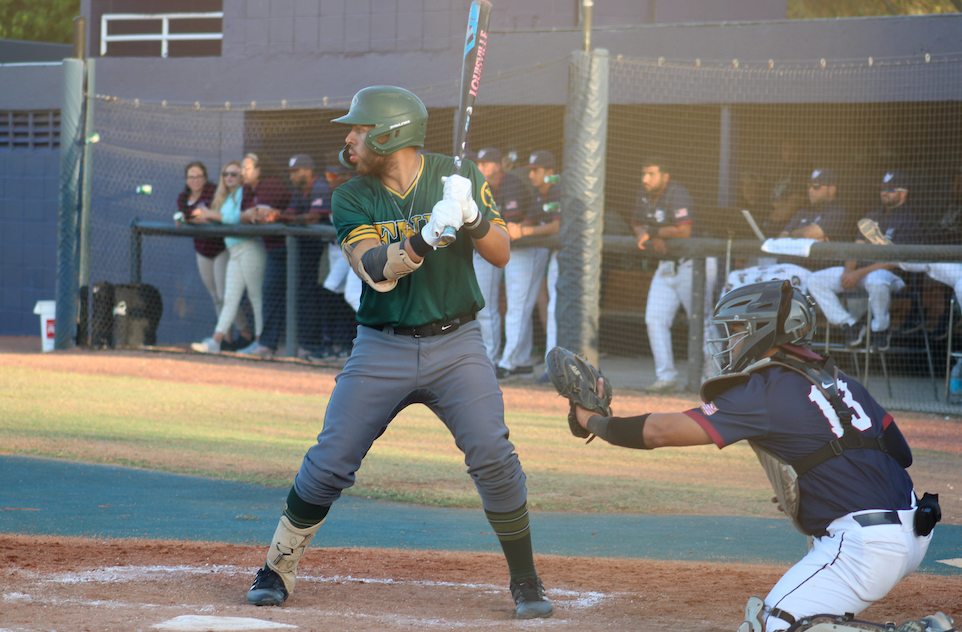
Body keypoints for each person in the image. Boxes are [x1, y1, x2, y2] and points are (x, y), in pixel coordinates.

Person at [245, 86, 553, 620]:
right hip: (381, 345)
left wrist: (471, 216)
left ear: (390, 136)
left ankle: (525, 580)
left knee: (494, 457)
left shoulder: (457, 177)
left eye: (358, 129)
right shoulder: (351, 195)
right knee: (330, 460)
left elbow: (501, 253)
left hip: (457, 345)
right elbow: (374, 270)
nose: (349, 138)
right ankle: (277, 567)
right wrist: (428, 236)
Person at [570, 280, 938, 632]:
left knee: (775, 625)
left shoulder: (763, 387)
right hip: (913, 531)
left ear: (763, 330)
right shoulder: (841, 382)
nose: (730, 340)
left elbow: (660, 432)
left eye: (738, 329)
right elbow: (899, 454)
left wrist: (595, 421)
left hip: (864, 546)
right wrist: (817, 479)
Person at [631, 156, 716, 393]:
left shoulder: (677, 193)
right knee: (654, 319)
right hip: (666, 267)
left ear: (665, 177)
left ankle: (714, 378)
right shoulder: (643, 194)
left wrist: (656, 233)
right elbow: (636, 222)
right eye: (644, 173)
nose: (645, 178)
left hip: (693, 266)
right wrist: (644, 233)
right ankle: (666, 377)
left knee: (703, 323)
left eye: (651, 174)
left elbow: (684, 230)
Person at [808, 170, 918, 351]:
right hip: (861, 275)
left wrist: (858, 273)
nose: (884, 192)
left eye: (890, 189)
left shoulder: (909, 220)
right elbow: (856, 248)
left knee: (877, 280)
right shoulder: (872, 216)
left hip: (890, 277)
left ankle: (881, 329)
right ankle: (849, 324)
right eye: (882, 188)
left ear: (903, 192)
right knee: (816, 280)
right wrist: (848, 272)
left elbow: (894, 261)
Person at [254, 153, 333, 359]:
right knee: (294, 292)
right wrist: (275, 216)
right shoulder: (300, 191)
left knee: (316, 295)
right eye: (290, 173)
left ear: (308, 170)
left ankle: (313, 345)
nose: (292, 177)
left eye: (296, 172)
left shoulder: (320, 187)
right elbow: (291, 212)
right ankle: (290, 345)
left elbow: (313, 217)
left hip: (330, 250)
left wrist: (281, 216)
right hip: (306, 249)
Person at [725, 172, 846, 296]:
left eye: (816, 186)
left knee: (778, 280)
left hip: (812, 270)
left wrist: (792, 234)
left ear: (831, 190)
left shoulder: (838, 213)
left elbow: (807, 234)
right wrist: (797, 234)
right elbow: (781, 237)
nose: (810, 190)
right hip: (784, 266)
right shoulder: (803, 212)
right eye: (809, 186)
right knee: (736, 276)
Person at [190, 162, 266, 353]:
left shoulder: (245, 191)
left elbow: (239, 218)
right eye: (226, 174)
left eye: (234, 174)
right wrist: (203, 217)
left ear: (241, 176)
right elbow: (224, 218)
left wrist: (212, 214)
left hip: (249, 249)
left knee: (256, 297)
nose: (229, 177)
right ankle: (216, 341)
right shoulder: (224, 197)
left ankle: (260, 341)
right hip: (234, 252)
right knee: (229, 298)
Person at [177, 162, 252, 350]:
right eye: (191, 177)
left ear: (205, 177)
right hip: (202, 249)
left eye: (199, 176)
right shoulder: (183, 197)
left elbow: (221, 213)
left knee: (224, 294)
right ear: (186, 180)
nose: (195, 181)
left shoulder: (213, 190)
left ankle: (245, 333)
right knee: (215, 296)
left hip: (220, 248)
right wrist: (184, 221)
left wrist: (207, 217)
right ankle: (226, 338)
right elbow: (185, 216)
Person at [473, 147, 532, 364]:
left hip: (527, 248)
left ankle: (509, 360)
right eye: (478, 164)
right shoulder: (480, 186)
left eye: (484, 163)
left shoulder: (512, 183)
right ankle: (492, 357)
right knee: (486, 306)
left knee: (518, 306)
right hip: (496, 248)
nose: (480, 167)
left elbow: (511, 226)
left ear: (498, 166)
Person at [236, 153, 293, 359]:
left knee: (302, 297)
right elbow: (242, 215)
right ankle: (267, 345)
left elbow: (259, 216)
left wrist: (249, 214)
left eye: (247, 168)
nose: (243, 172)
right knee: (269, 293)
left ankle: (305, 346)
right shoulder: (248, 189)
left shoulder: (271, 183)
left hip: (294, 250)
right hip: (274, 250)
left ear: (259, 170)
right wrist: (247, 214)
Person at [520, 151, 561, 384]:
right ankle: (553, 365)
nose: (532, 174)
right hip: (554, 255)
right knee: (551, 306)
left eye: (536, 170)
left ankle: (558, 367)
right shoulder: (539, 194)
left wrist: (525, 231)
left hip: (572, 256)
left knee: (558, 307)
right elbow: (529, 220)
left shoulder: (559, 188)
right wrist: (517, 228)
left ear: (550, 173)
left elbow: (557, 226)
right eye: (531, 170)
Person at [313, 158, 360, 361]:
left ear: (346, 176)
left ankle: (341, 342)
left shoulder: (354, 193)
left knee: (340, 291)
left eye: (334, 177)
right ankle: (336, 344)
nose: (330, 180)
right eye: (328, 176)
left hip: (352, 249)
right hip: (335, 250)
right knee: (337, 293)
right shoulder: (330, 194)